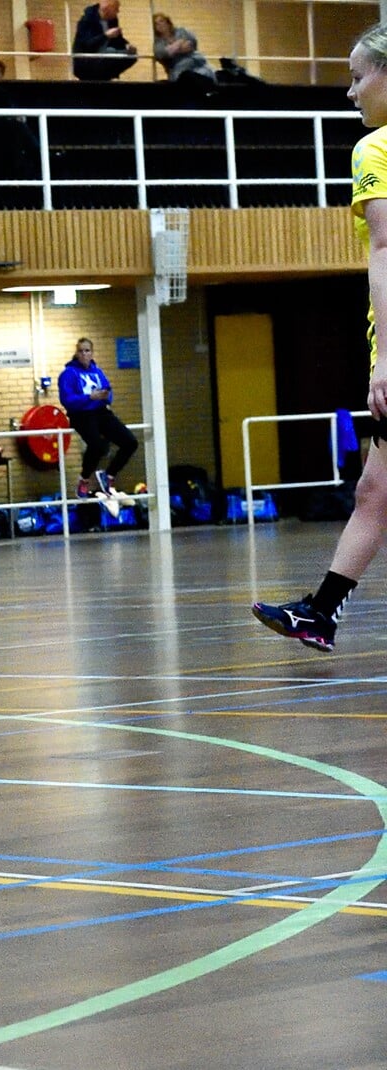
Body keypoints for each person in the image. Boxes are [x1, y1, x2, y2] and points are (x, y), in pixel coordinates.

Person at [254, 23, 387, 652]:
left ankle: (321, 611)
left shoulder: (376, 149)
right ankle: (321, 612)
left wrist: (385, 359)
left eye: (358, 76)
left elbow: (386, 249)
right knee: (374, 490)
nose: (350, 92)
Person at [57, 338, 138, 502]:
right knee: (97, 446)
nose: (84, 354)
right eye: (81, 351)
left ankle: (109, 474)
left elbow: (108, 390)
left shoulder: (97, 371)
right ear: (76, 353)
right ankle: (84, 479)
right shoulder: (68, 374)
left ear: (92, 353)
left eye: (87, 350)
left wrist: (106, 397)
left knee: (130, 442)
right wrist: (89, 397)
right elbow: (67, 399)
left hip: (101, 411)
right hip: (81, 414)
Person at [73, 0, 138, 82]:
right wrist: (105, 35)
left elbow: (118, 40)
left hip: (104, 56)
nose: (118, 11)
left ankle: (109, 75)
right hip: (87, 60)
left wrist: (128, 46)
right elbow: (86, 44)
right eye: (116, 8)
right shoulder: (86, 20)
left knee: (131, 56)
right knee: (111, 52)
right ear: (107, 9)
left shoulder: (112, 21)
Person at [152, 13, 215, 92]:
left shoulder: (181, 31)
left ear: (167, 22)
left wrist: (172, 49)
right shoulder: (158, 43)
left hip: (197, 63)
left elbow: (191, 45)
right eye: (156, 24)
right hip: (178, 69)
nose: (160, 25)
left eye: (161, 21)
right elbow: (162, 54)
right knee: (186, 77)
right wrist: (179, 43)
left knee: (208, 72)